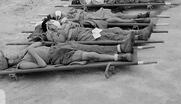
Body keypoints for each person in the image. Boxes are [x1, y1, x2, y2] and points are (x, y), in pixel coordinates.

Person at [0, 35, 135, 71]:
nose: (10, 54)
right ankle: (119, 57)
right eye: (8, 56)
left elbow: (39, 44)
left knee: (90, 47)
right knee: (89, 55)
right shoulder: (22, 64)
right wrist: (31, 52)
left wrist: (26, 49)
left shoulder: (22, 54)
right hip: (58, 57)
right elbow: (42, 65)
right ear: (9, 61)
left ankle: (120, 48)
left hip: (58, 47)